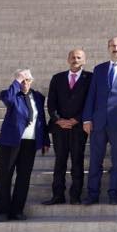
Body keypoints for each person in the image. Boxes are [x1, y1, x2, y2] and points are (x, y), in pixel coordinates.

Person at [82, 38, 117, 205]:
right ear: (108, 48)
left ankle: (114, 194)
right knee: (95, 160)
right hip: (98, 122)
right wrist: (87, 118)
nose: (116, 48)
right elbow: (91, 95)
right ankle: (92, 194)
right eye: (113, 46)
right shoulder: (99, 69)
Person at [0, 69, 47, 221]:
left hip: (30, 142)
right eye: (22, 80)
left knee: (24, 177)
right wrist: (16, 81)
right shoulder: (10, 94)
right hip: (10, 142)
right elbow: (8, 100)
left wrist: (45, 140)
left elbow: (41, 119)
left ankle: (17, 210)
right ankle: (2, 211)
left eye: (28, 80)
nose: (25, 83)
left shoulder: (37, 97)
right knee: (6, 176)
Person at [43, 49, 90, 207]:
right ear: (68, 59)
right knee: (60, 162)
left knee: (77, 162)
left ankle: (75, 196)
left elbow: (91, 101)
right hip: (59, 128)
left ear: (84, 60)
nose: (75, 60)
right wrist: (58, 120)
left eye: (79, 57)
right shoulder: (57, 78)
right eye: (73, 57)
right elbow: (51, 103)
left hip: (78, 127)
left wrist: (77, 119)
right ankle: (58, 195)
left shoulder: (90, 78)